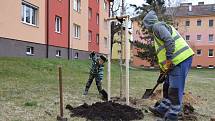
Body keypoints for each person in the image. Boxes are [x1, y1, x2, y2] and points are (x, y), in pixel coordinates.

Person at [143, 10, 194, 121]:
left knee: (175, 89)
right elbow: (162, 53)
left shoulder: (157, 26)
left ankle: (172, 115)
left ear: (149, 23)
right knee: (167, 86)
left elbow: (169, 41)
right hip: (174, 62)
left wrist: (169, 60)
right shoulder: (158, 31)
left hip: (180, 60)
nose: (146, 29)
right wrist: (163, 71)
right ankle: (162, 109)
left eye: (145, 25)